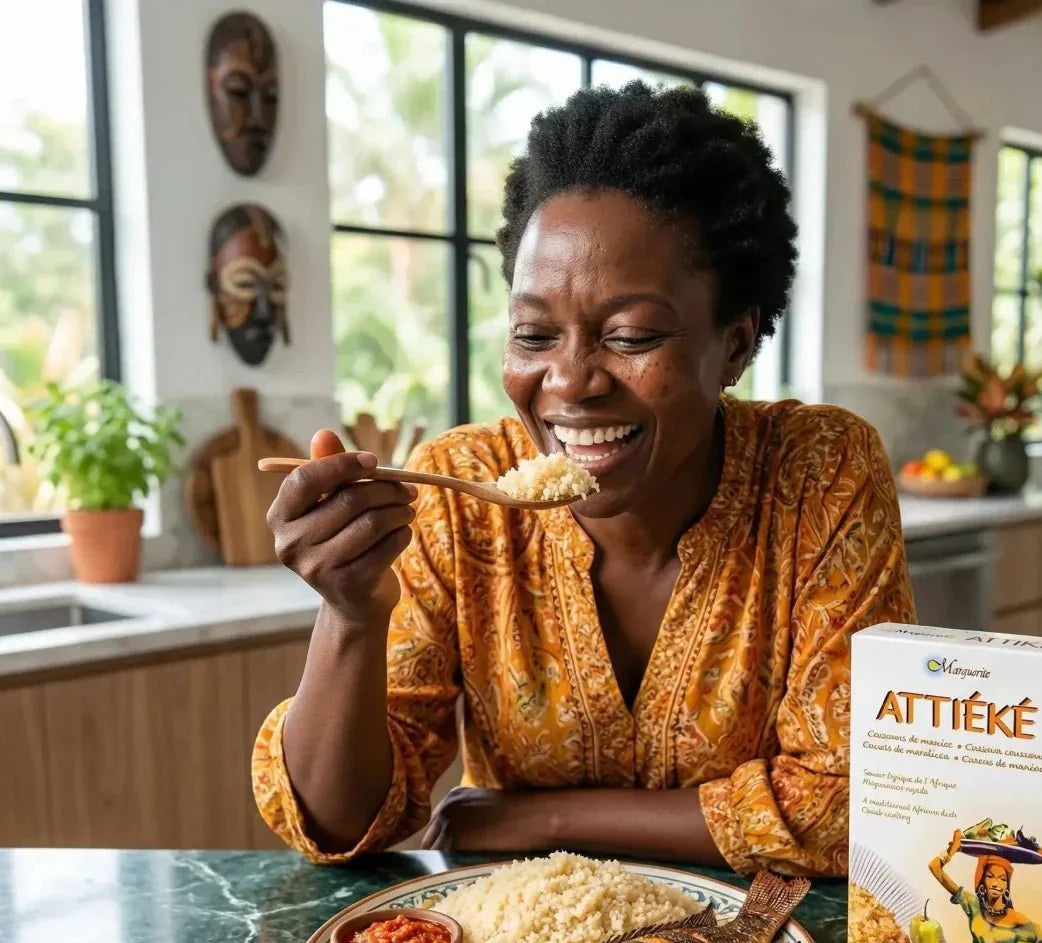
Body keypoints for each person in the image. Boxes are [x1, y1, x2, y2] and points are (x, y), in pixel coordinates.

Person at [252, 82, 915, 874]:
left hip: (761, 940)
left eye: (630, 337)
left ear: (734, 347)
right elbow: (339, 824)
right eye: (535, 336)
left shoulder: (820, 472)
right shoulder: (458, 491)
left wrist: (543, 818)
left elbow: (852, 803)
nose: (568, 382)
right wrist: (351, 616)